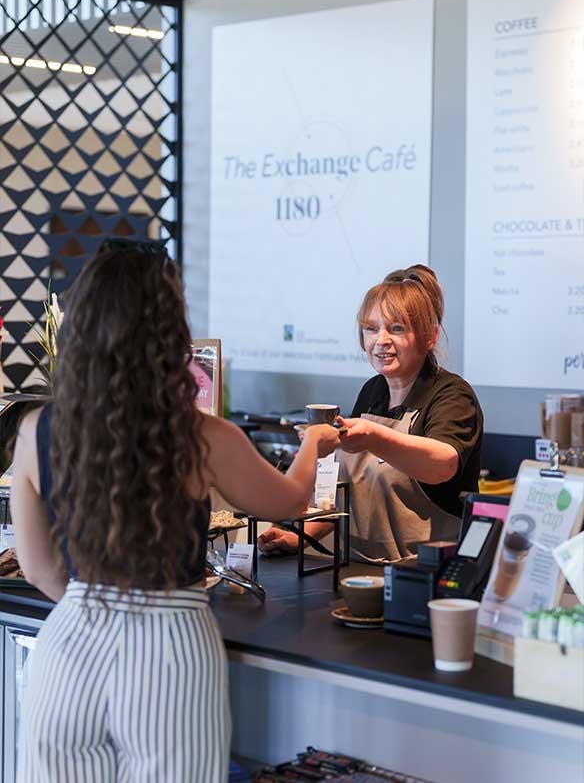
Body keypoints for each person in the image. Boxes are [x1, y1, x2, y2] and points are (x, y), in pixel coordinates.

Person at [10, 240, 340, 783]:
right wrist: (313, 444)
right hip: (169, 649)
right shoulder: (201, 435)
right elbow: (290, 501)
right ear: (166, 330)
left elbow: (40, 568)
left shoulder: (34, 430)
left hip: (68, 649)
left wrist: (100, 607)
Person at [259, 264, 483, 563]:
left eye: (397, 328)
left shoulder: (452, 395)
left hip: (426, 572)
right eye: (371, 328)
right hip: (358, 572)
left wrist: (374, 437)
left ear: (430, 337)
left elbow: (442, 464)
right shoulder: (373, 391)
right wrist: (301, 536)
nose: (381, 340)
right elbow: (353, 491)